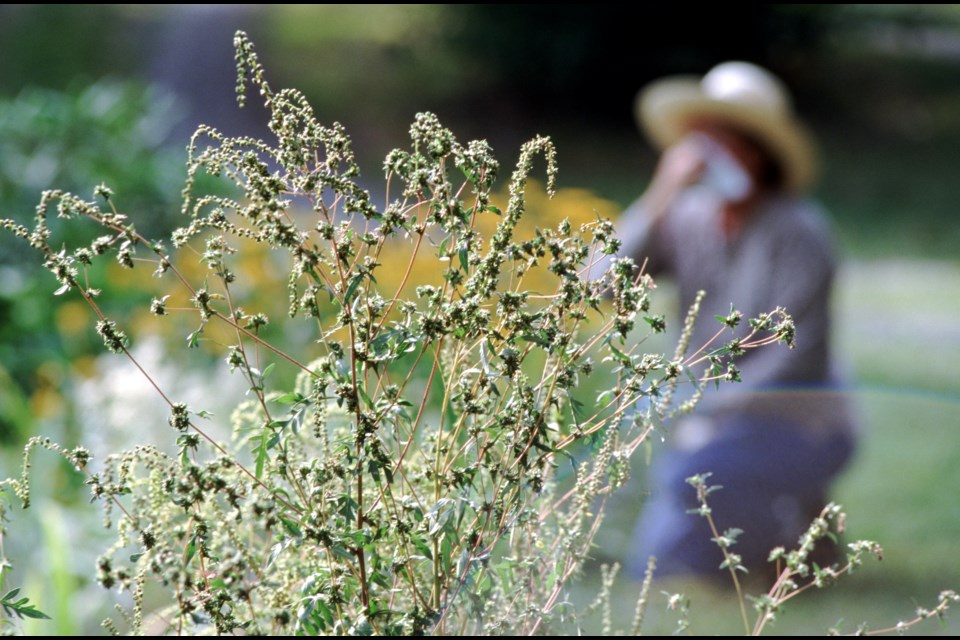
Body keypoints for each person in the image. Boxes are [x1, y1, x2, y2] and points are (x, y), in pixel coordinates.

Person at [611, 61, 858, 579]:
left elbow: (798, 358)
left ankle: (789, 535)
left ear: (760, 152)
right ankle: (794, 531)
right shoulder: (685, 217)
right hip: (712, 417)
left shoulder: (800, 232)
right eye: (706, 141)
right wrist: (661, 194)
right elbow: (600, 286)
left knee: (688, 490)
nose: (716, 154)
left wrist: (706, 415)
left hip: (801, 421)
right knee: (656, 520)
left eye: (731, 140)